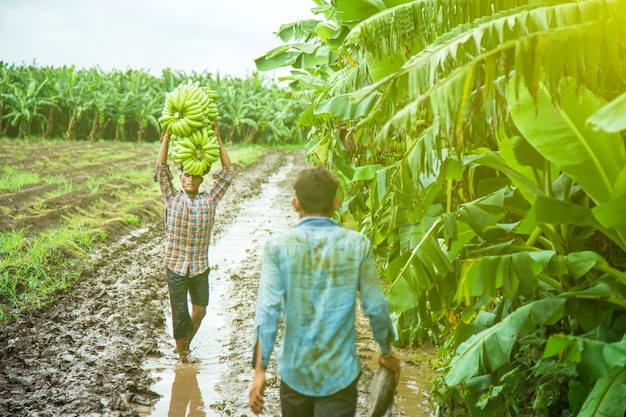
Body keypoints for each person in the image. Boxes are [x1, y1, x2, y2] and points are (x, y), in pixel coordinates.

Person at [248, 166, 400, 417]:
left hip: (294, 372)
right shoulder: (357, 245)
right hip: (339, 375)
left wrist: (260, 371)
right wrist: (386, 351)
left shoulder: (278, 247)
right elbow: (376, 306)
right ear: (336, 203)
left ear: (295, 203)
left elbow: (268, 311)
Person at [154, 121, 233, 362]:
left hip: (199, 266)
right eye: (186, 175)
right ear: (180, 178)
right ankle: (182, 354)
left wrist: (218, 140)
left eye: (194, 176)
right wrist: (166, 136)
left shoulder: (209, 200)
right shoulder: (171, 197)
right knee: (180, 314)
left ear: (200, 179)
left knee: (199, 310)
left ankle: (185, 344)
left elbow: (228, 174)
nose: (189, 179)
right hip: (175, 266)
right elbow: (160, 168)